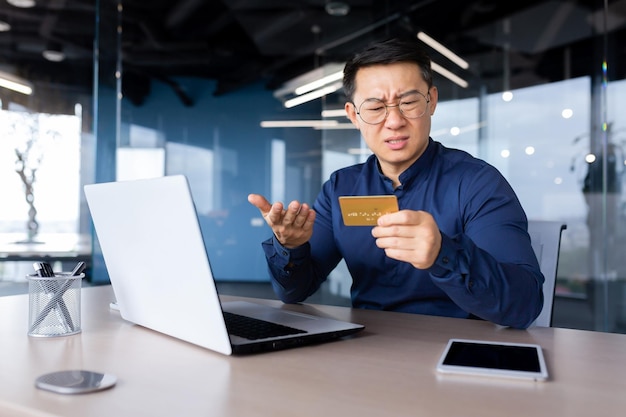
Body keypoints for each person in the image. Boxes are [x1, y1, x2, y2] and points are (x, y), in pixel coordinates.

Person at [248, 38, 544, 329]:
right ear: (354, 115)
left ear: (432, 101)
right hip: (366, 351)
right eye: (376, 108)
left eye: (409, 102)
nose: (394, 121)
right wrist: (291, 247)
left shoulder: (477, 184)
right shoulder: (341, 187)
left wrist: (444, 253)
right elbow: (294, 292)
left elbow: (525, 304)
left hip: (455, 353)